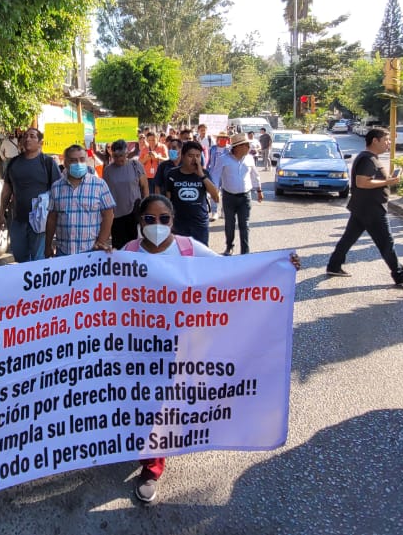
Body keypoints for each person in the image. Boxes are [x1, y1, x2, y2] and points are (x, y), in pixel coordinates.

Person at [119, 195, 299, 503]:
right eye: (150, 219)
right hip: (140, 343)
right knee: (143, 398)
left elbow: (233, 273)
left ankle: (152, 467)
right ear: (140, 222)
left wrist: (280, 265)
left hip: (182, 343)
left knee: (163, 403)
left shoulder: (189, 249)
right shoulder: (129, 251)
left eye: (164, 219)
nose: (157, 225)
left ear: (173, 221)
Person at [325, 128, 403, 286]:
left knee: (348, 239)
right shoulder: (368, 159)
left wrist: (386, 181)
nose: (389, 143)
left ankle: (333, 266)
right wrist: (387, 182)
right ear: (375, 141)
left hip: (363, 208)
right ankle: (399, 274)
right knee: (386, 242)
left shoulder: (370, 158)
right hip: (371, 209)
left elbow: (369, 180)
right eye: (386, 139)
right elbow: (361, 182)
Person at [0, 128, 60, 263]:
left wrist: (56, 218)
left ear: (40, 143)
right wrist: (1, 214)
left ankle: (38, 283)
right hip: (18, 220)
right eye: (25, 136)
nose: (27, 139)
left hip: (41, 221)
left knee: (39, 260)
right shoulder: (13, 163)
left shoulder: (48, 163)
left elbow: (58, 191)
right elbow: (6, 191)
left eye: (32, 136)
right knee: (20, 257)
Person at [45, 144, 116, 258]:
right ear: (66, 163)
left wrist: (101, 242)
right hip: (63, 252)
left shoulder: (99, 184)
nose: (78, 163)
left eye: (82, 159)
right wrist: (47, 245)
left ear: (87, 160)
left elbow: (108, 215)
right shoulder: (56, 187)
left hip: (90, 252)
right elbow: (52, 218)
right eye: (73, 160)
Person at [215, 133, 263, 255]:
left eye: (248, 145)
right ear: (237, 147)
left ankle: (245, 251)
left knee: (244, 225)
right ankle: (229, 246)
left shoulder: (249, 158)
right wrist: (215, 192)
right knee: (229, 224)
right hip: (229, 196)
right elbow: (215, 176)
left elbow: (254, 175)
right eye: (246, 145)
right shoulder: (223, 159)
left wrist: (259, 190)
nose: (248, 147)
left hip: (245, 196)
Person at [164, 140, 219, 245]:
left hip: (199, 224)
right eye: (191, 156)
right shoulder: (172, 174)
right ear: (183, 156)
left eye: (198, 156)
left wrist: (202, 176)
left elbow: (216, 197)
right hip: (179, 225)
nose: (195, 160)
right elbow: (168, 199)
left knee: (201, 257)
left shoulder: (204, 174)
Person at [102, 139, 149, 249]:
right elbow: (105, 192)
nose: (119, 159)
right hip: (115, 213)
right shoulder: (108, 170)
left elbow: (144, 187)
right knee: (118, 243)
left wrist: (146, 207)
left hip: (134, 211)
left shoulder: (135, 165)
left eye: (121, 155)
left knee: (133, 242)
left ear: (127, 153)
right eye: (116, 156)